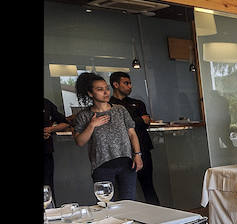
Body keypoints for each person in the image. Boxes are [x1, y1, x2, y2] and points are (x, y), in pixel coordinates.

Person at [72, 72, 143, 201]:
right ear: (90, 93)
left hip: (127, 164)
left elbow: (132, 134)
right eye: (100, 89)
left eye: (106, 88)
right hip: (102, 166)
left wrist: (137, 155)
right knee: (106, 205)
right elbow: (79, 142)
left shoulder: (120, 110)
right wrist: (92, 125)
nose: (105, 92)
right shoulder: (84, 116)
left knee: (129, 203)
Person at [109, 72, 160, 205]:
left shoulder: (137, 103)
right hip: (121, 152)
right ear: (115, 84)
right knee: (123, 188)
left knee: (148, 185)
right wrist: (138, 121)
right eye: (126, 83)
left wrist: (133, 122)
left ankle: (158, 217)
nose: (130, 86)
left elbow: (147, 121)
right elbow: (117, 126)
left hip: (142, 148)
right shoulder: (109, 105)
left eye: (130, 83)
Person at [43, 97, 71, 202]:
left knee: (47, 187)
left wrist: (50, 129)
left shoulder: (46, 103)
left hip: (46, 153)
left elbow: (65, 123)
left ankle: (49, 214)